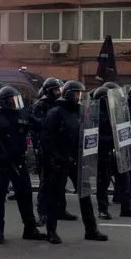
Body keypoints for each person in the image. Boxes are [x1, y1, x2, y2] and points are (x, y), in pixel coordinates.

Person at [41, 81, 108, 243]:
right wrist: (55, 159)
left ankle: (91, 230)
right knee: (55, 196)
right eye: (77, 93)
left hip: (78, 160)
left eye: (81, 93)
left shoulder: (81, 111)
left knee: (85, 195)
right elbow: (46, 140)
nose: (79, 96)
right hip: (61, 160)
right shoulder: (55, 113)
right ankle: (51, 231)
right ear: (69, 94)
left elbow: (88, 133)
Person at [0, 85, 46, 244]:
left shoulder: (22, 114)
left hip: (19, 162)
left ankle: (30, 228)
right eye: (12, 100)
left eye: (17, 99)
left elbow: (39, 126)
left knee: (25, 197)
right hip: (1, 164)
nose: (15, 103)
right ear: (4, 102)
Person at [32, 78, 76, 227]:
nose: (58, 92)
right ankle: (42, 213)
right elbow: (40, 127)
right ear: (48, 91)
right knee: (46, 183)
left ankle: (60, 210)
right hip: (46, 149)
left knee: (61, 183)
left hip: (61, 148)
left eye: (60, 89)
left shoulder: (61, 105)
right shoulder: (41, 105)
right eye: (56, 90)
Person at [94, 86, 131, 219]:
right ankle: (103, 209)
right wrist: (112, 140)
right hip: (103, 153)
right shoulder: (94, 114)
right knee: (103, 182)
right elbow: (93, 136)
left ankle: (126, 208)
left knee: (125, 180)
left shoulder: (117, 112)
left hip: (118, 152)